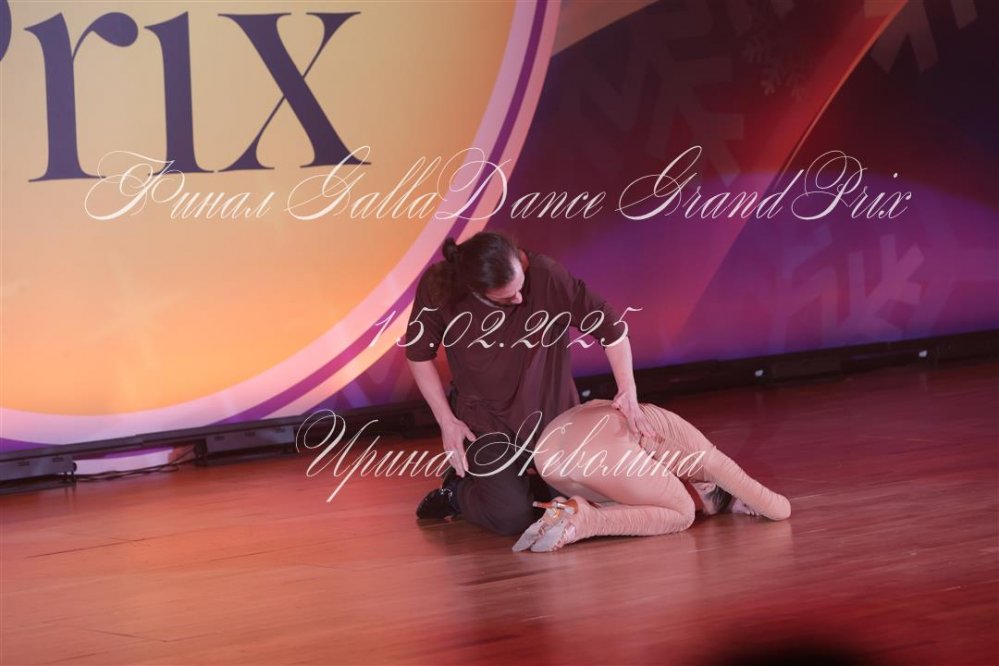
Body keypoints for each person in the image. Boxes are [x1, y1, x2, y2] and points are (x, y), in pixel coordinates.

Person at [405, 232, 654, 535]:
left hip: (553, 419)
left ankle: (529, 484)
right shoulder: (439, 286)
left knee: (586, 503)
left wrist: (627, 390)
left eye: (521, 286)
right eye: (507, 298)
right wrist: (447, 421)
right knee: (512, 517)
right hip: (484, 420)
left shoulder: (547, 275)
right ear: (474, 290)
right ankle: (457, 494)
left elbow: (612, 330)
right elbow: (418, 355)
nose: (520, 299)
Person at [513, 399, 791, 552]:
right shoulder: (706, 458)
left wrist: (736, 504)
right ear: (708, 486)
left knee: (628, 502)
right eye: (704, 501)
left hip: (548, 452)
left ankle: (565, 511)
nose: (699, 505)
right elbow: (780, 509)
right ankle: (587, 520)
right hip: (595, 446)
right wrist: (749, 496)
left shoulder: (659, 450)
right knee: (682, 513)